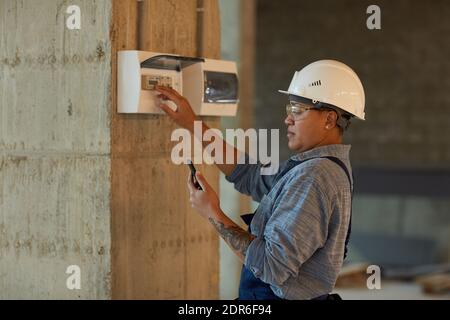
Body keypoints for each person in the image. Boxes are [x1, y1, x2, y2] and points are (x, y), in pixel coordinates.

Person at [155, 60, 366, 300]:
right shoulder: (316, 167)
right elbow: (250, 175)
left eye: (297, 110)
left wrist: (213, 213)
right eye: (290, 110)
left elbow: (270, 266)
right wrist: (192, 123)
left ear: (329, 119)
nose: (288, 119)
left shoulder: (314, 176)